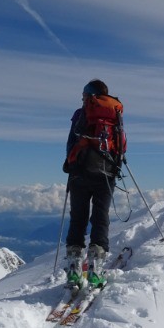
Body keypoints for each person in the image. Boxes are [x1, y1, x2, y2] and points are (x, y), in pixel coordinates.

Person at [63, 79, 125, 288]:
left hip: (79, 173)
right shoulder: (114, 113)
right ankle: (96, 270)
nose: (82, 97)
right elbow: (121, 145)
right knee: (100, 218)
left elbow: (71, 142)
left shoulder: (81, 114)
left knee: (78, 219)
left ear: (89, 95)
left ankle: (73, 270)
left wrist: (69, 165)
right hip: (105, 173)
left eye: (83, 94)